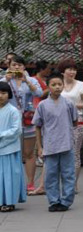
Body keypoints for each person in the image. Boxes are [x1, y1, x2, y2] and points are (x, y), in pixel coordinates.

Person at [33, 73, 78, 212]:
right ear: (48, 87)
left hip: (67, 144)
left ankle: (66, 201)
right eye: (54, 85)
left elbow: (74, 121)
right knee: (50, 175)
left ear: (63, 85)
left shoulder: (69, 104)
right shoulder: (42, 105)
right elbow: (38, 126)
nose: (57, 87)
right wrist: (40, 147)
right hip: (50, 145)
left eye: (59, 84)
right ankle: (53, 201)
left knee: (68, 174)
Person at [2, 55, 44, 194]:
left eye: (20, 65)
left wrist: (27, 80)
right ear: (9, 66)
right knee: (12, 152)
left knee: (28, 153)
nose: (17, 67)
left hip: (27, 119)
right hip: (10, 120)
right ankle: (13, 183)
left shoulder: (30, 79)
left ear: (24, 67)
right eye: (14, 65)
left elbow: (39, 92)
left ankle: (30, 182)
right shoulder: (5, 80)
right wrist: (6, 79)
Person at [58, 59, 83, 186]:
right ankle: (64, 181)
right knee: (61, 152)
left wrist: (72, 105)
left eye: (74, 69)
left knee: (75, 152)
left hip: (77, 121)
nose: (72, 72)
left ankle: (74, 183)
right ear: (63, 71)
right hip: (60, 122)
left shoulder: (81, 85)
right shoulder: (58, 84)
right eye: (69, 69)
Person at [0, 82, 25, 212]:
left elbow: (16, 130)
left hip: (9, 149)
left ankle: (9, 202)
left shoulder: (13, 111)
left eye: (4, 93)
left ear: (9, 95)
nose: (1, 96)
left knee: (9, 176)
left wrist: (1, 136)